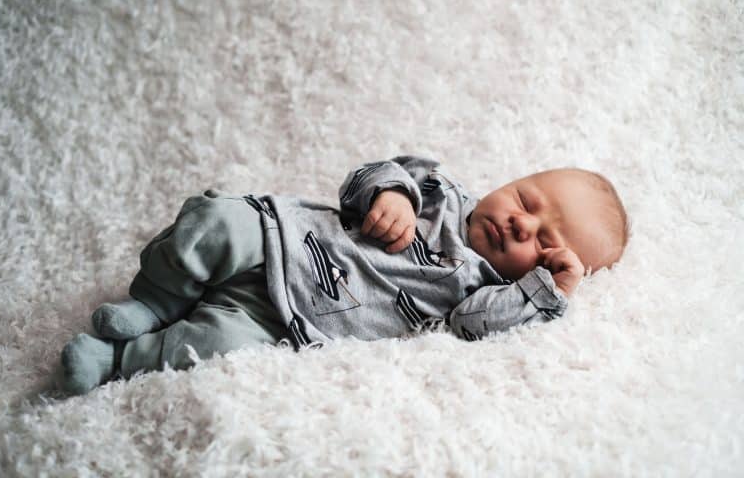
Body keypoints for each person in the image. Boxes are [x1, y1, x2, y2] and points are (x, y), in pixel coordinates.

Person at [58, 156, 629, 396]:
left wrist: (547, 291)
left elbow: (472, 328)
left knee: (216, 346)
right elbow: (369, 175)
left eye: (545, 245)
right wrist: (392, 194)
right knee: (215, 222)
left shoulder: (487, 291)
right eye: (526, 200)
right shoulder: (441, 191)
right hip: (282, 236)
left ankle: (118, 361)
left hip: (286, 317)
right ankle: (155, 302)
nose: (522, 223)